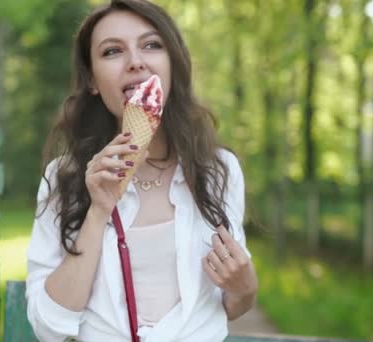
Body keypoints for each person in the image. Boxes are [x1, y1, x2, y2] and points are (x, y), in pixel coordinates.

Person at [25, 0, 258, 341]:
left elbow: (228, 304)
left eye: (151, 45)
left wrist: (246, 288)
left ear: (172, 64)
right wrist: (99, 210)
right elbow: (49, 325)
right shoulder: (65, 178)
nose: (135, 61)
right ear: (92, 79)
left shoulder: (219, 171)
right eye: (112, 51)